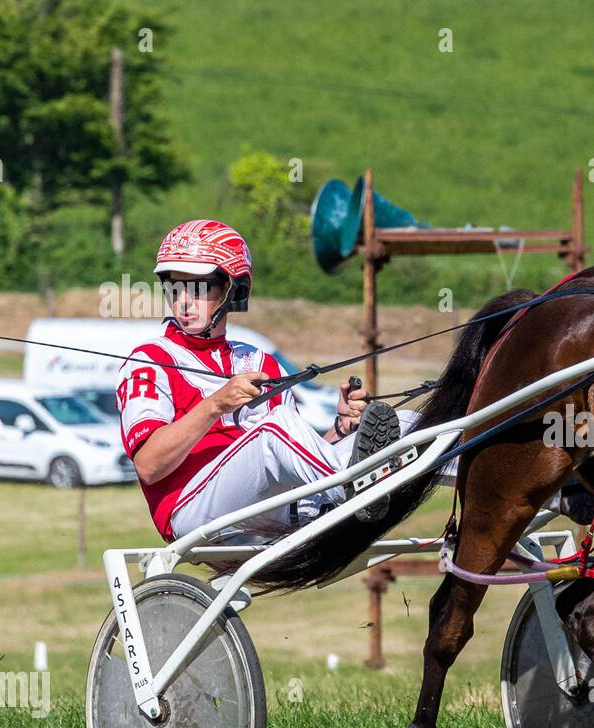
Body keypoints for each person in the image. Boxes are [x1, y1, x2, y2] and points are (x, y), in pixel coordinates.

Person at [116, 219, 399, 542]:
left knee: (404, 420)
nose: (183, 301)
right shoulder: (148, 361)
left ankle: (460, 476)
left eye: (199, 287)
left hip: (266, 508)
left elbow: (289, 458)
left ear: (232, 289)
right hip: (190, 512)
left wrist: (341, 428)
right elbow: (149, 466)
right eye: (175, 287)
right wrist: (215, 405)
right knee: (274, 427)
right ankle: (356, 488)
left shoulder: (259, 361)